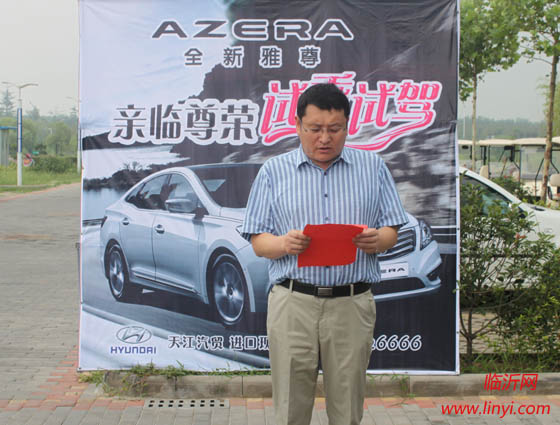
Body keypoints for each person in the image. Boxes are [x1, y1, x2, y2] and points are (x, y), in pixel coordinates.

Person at [241, 83, 408, 425]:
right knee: (290, 406)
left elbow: (392, 230)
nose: (324, 138)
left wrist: (377, 240)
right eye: (314, 128)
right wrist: (284, 244)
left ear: (348, 126)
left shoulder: (373, 168)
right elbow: (258, 241)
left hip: (351, 303)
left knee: (347, 407)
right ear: (297, 125)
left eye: (335, 129)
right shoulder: (274, 171)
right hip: (293, 302)